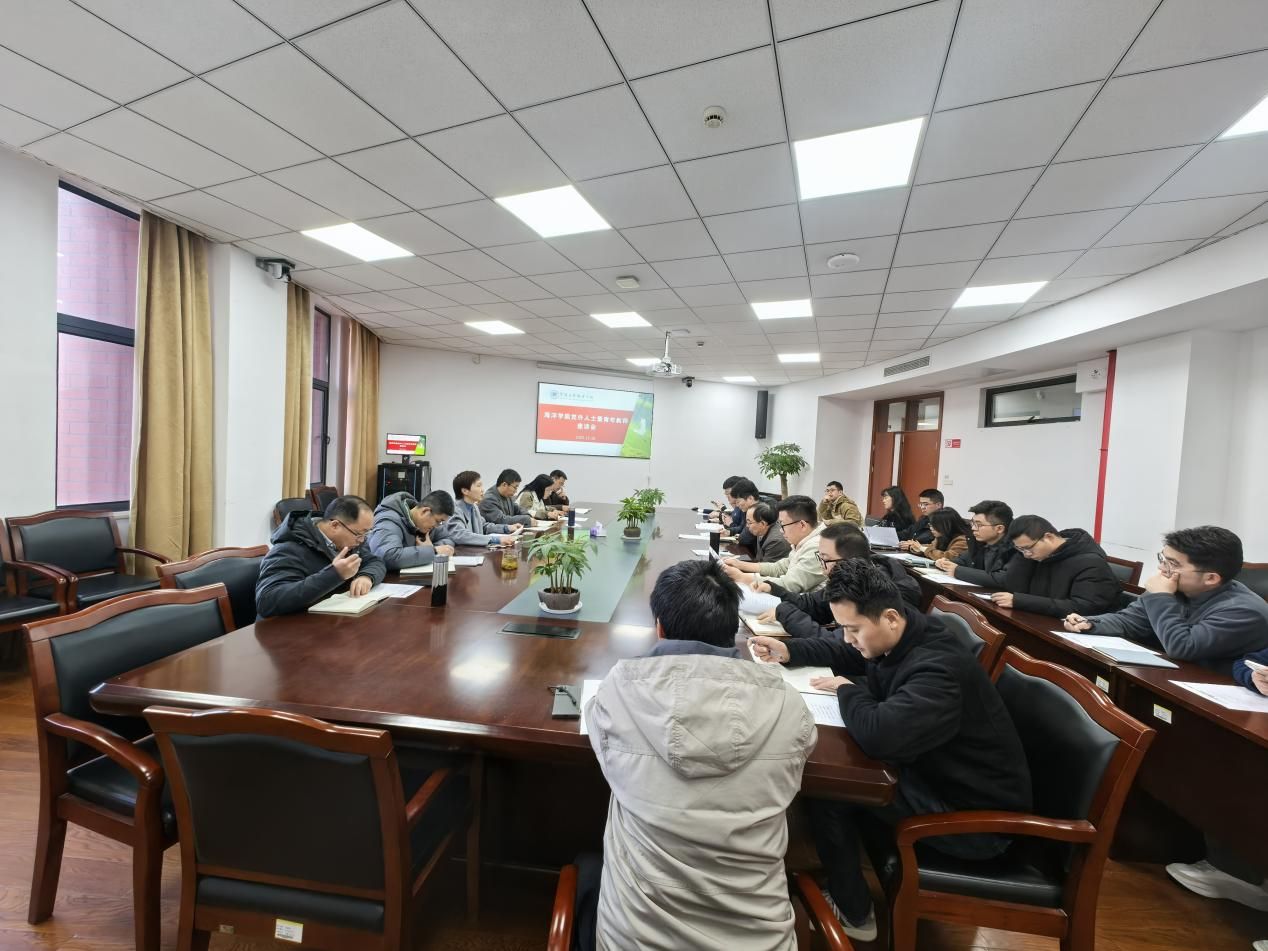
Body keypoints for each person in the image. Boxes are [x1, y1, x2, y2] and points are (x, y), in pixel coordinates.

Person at [749, 561, 1031, 940]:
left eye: (853, 629)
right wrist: (790, 650)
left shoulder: (938, 670)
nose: (848, 638)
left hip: (974, 821)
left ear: (891, 618)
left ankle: (853, 913)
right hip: (937, 777)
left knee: (833, 789)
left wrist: (848, 690)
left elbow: (879, 736)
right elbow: (850, 654)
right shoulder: (904, 630)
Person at [577, 558, 817, 950]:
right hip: (760, 940)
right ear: (733, 627)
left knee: (587, 870)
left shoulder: (618, 690)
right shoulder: (788, 705)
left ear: (659, 628)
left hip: (635, 940)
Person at [1063, 527, 1268, 672]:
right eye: (1163, 559)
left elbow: (1182, 647)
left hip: (1214, 695)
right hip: (1168, 676)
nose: (1162, 569)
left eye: (1173, 564)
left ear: (1211, 578)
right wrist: (1091, 623)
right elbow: (1130, 621)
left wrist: (1161, 596)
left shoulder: (1244, 612)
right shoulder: (1175, 588)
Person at [755, 522, 921, 640]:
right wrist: (774, 589)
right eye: (820, 558)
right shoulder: (851, 579)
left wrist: (787, 615)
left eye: (826, 560)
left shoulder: (877, 592)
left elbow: (841, 645)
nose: (823, 569)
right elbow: (814, 604)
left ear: (850, 561)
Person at [256, 495, 386, 618]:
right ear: (335, 525)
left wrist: (366, 576)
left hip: (331, 619)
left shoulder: (351, 541)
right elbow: (267, 602)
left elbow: (374, 561)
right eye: (359, 534)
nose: (362, 540)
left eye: (366, 534)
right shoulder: (288, 548)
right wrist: (334, 574)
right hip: (288, 628)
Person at [988, 515, 1120, 618]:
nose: (1026, 554)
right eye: (1021, 549)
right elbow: (1014, 587)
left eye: (1028, 548)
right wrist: (1023, 554)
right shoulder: (1039, 555)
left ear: (1049, 537)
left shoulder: (1091, 563)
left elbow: (1083, 607)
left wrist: (1020, 601)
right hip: (1037, 619)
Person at [722, 496, 827, 593]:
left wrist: (742, 577)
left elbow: (789, 585)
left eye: (783, 525)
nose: (780, 530)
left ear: (802, 525)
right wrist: (739, 564)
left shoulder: (818, 546)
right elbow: (779, 568)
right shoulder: (804, 540)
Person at [368, 489, 456, 570]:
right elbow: (388, 557)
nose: (437, 526)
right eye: (438, 521)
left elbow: (448, 538)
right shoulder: (389, 521)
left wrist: (433, 547)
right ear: (425, 511)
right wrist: (433, 551)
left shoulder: (426, 523)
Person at [936, 499, 1016, 587]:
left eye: (979, 525)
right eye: (973, 523)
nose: (973, 528)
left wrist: (957, 571)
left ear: (999, 529)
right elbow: (963, 561)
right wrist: (945, 563)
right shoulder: (980, 543)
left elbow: (1002, 578)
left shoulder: (1017, 548)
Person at [449, 471, 523, 546]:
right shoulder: (454, 510)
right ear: (465, 491)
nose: (482, 490)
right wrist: (495, 540)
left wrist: (506, 528)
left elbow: (484, 526)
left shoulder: (474, 507)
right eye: (478, 486)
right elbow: (461, 535)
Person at [722, 478, 762, 547]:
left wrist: (739, 536)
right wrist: (729, 531)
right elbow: (742, 527)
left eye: (738, 501)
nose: (737, 505)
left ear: (750, 498)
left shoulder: (760, 511)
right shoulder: (747, 509)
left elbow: (745, 538)